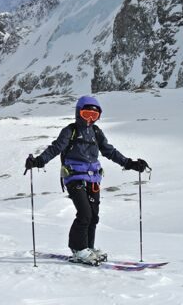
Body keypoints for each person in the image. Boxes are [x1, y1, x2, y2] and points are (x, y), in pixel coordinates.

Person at [25, 95, 149, 265]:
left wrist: (130, 163)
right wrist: (39, 161)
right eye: (86, 114)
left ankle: (88, 247)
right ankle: (78, 249)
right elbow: (56, 148)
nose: (90, 119)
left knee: (94, 216)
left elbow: (109, 151)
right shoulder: (70, 130)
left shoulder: (96, 132)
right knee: (85, 214)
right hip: (74, 177)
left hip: (93, 179)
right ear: (78, 113)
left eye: (94, 116)